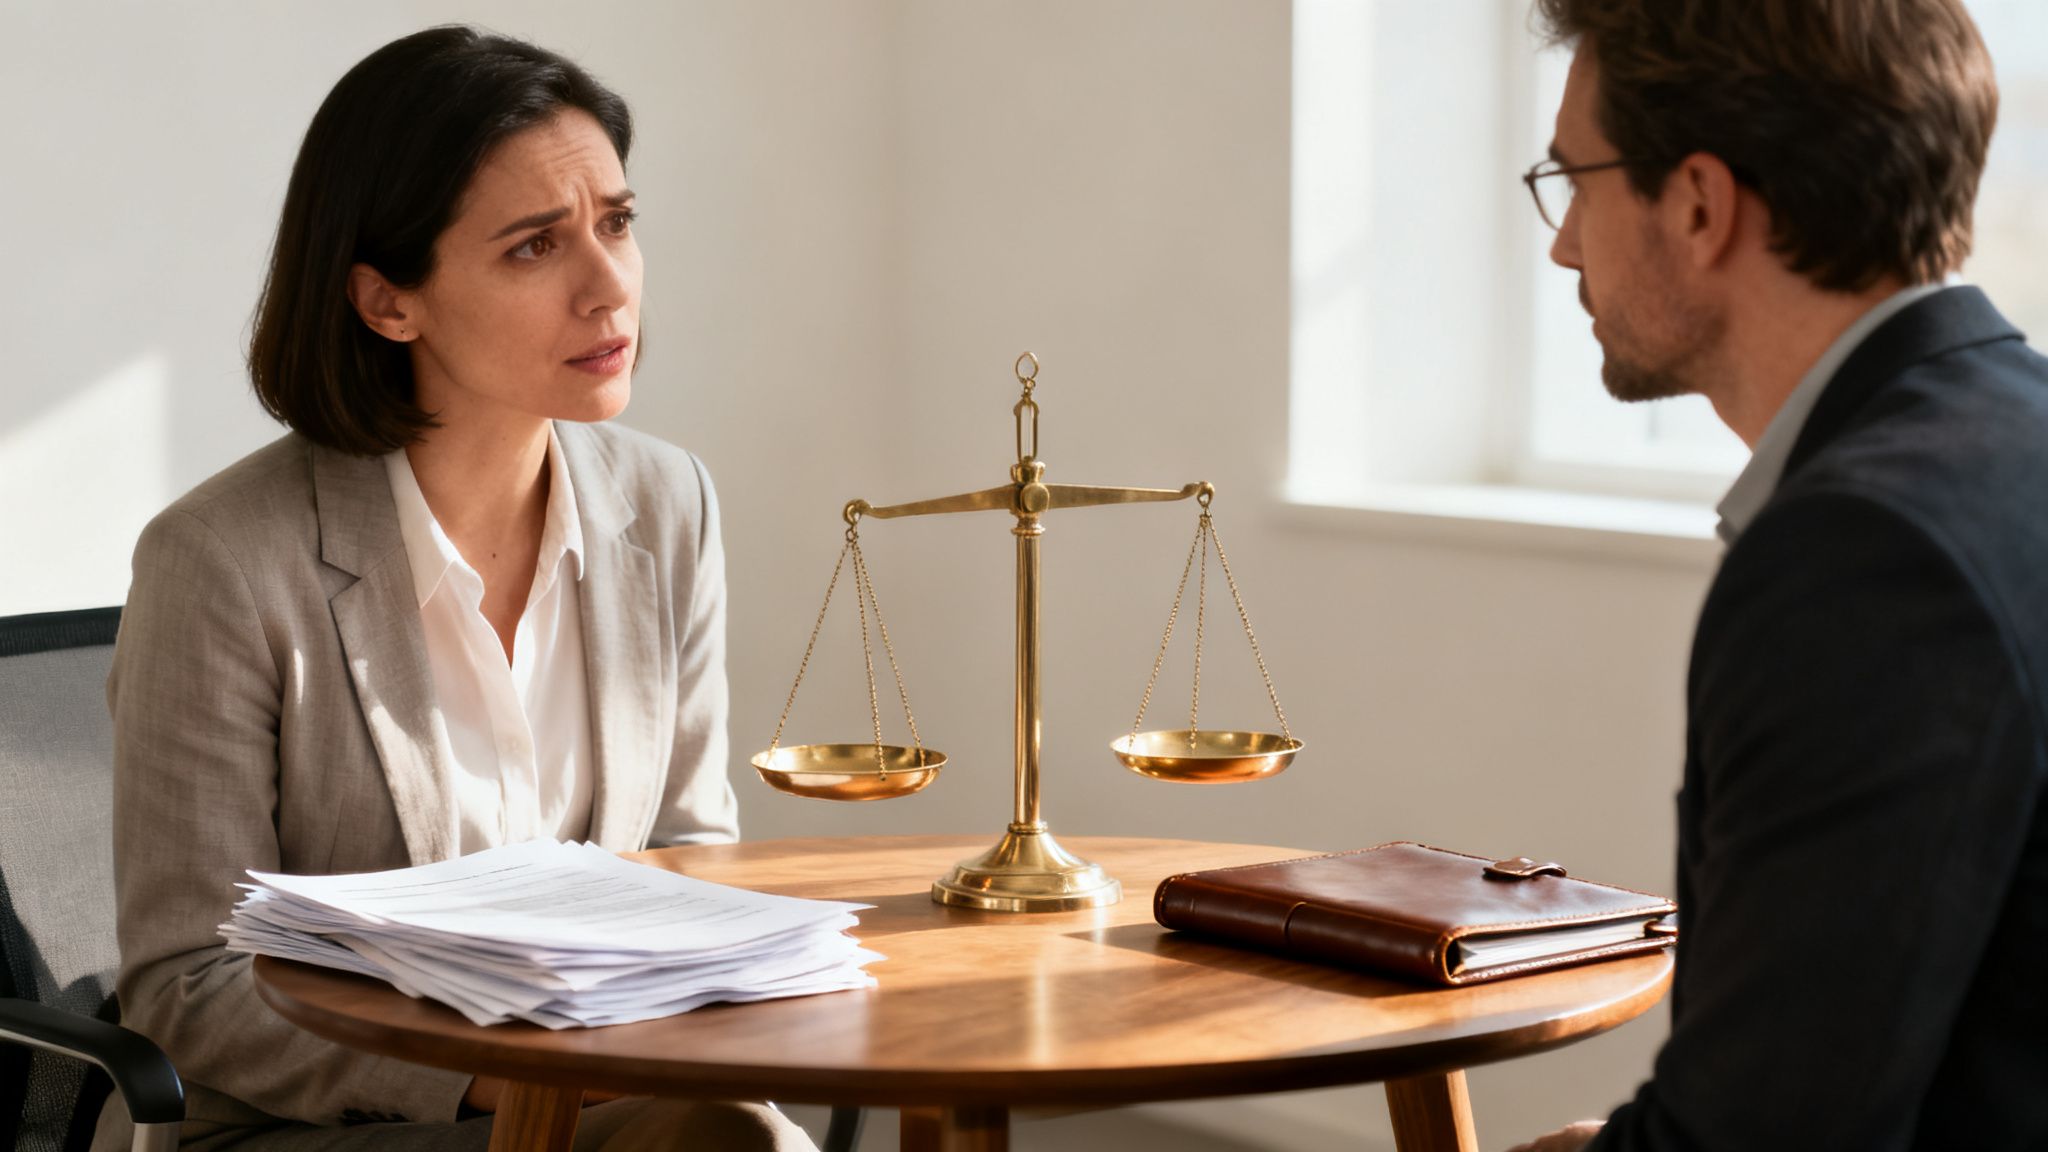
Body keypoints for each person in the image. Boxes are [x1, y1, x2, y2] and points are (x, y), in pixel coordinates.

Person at [93, 27, 815, 1152]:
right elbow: (186, 988)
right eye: (534, 247)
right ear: (388, 302)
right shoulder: (220, 560)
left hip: (634, 1092)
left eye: (615, 224)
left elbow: (685, 859)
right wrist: (514, 1086)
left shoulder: (668, 503)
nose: (607, 284)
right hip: (334, 1125)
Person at [1505, 2, 2048, 1150]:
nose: (1561, 242)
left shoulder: (1864, 554)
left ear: (1697, 204)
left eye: (1577, 182)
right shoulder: (2019, 441)